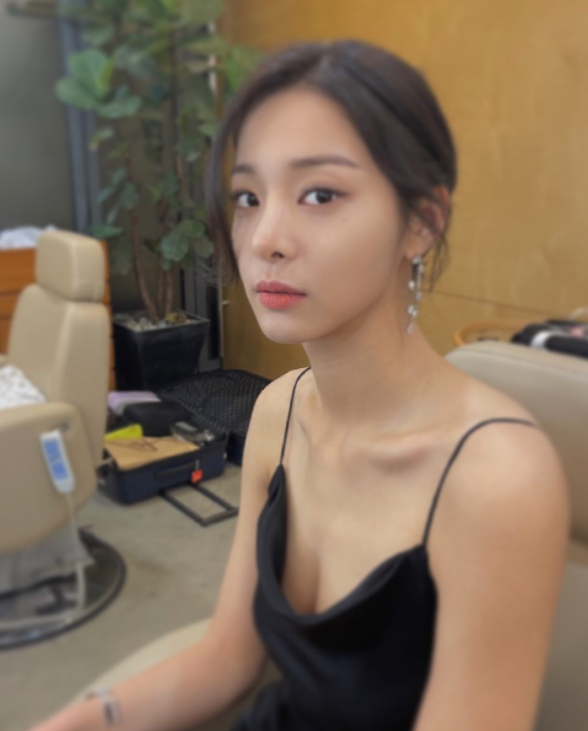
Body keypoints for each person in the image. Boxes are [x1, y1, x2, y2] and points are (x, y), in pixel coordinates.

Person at [31, 38, 569, 731]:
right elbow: (228, 657)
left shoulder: (496, 477)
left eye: (319, 194)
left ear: (422, 222)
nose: (264, 238)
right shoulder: (277, 410)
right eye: (248, 197)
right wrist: (90, 718)